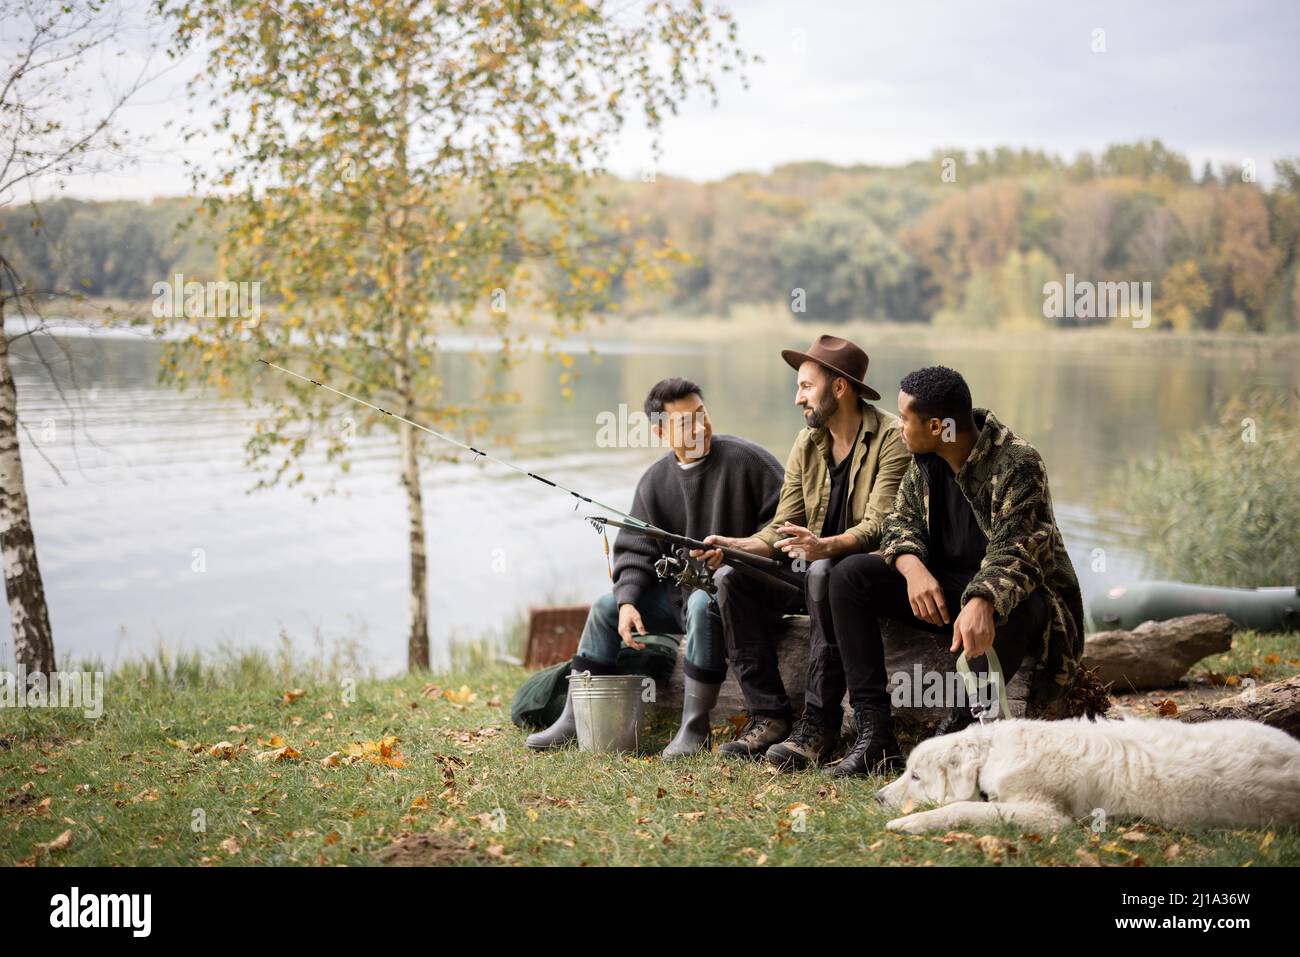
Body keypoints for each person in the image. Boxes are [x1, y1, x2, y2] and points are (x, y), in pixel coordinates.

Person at [816, 365, 1088, 777]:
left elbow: (1019, 550)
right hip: (944, 594)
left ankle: (957, 733)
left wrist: (981, 600)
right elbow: (898, 525)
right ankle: (875, 737)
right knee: (849, 576)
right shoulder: (925, 459)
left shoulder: (1017, 462)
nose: (900, 426)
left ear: (939, 426)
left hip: (1015, 600)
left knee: (1021, 604)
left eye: (906, 419)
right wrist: (913, 570)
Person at [525, 377, 783, 758]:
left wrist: (737, 556)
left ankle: (693, 728)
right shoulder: (654, 482)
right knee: (605, 606)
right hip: (680, 600)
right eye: (685, 423)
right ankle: (573, 718)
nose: (699, 428)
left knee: (700, 603)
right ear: (661, 431)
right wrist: (628, 600)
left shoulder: (750, 461)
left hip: (741, 598)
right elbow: (633, 549)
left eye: (702, 415)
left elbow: (788, 526)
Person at [691, 335, 910, 764]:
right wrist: (736, 547)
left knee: (825, 571)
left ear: (840, 388)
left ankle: (819, 725)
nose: (797, 398)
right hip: (810, 571)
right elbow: (781, 526)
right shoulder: (806, 442)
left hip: (859, 582)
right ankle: (768, 716)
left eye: (806, 386)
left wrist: (824, 546)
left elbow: (880, 525)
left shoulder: (891, 438)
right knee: (731, 579)